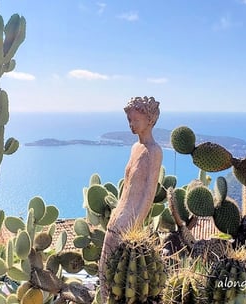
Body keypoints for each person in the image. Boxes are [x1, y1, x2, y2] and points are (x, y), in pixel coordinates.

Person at [98, 96, 163, 301]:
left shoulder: (154, 151)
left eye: (135, 119)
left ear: (150, 120)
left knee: (120, 279)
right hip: (117, 216)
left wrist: (134, 228)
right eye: (129, 120)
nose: (131, 124)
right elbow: (126, 187)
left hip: (130, 222)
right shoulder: (135, 148)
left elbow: (149, 193)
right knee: (104, 272)